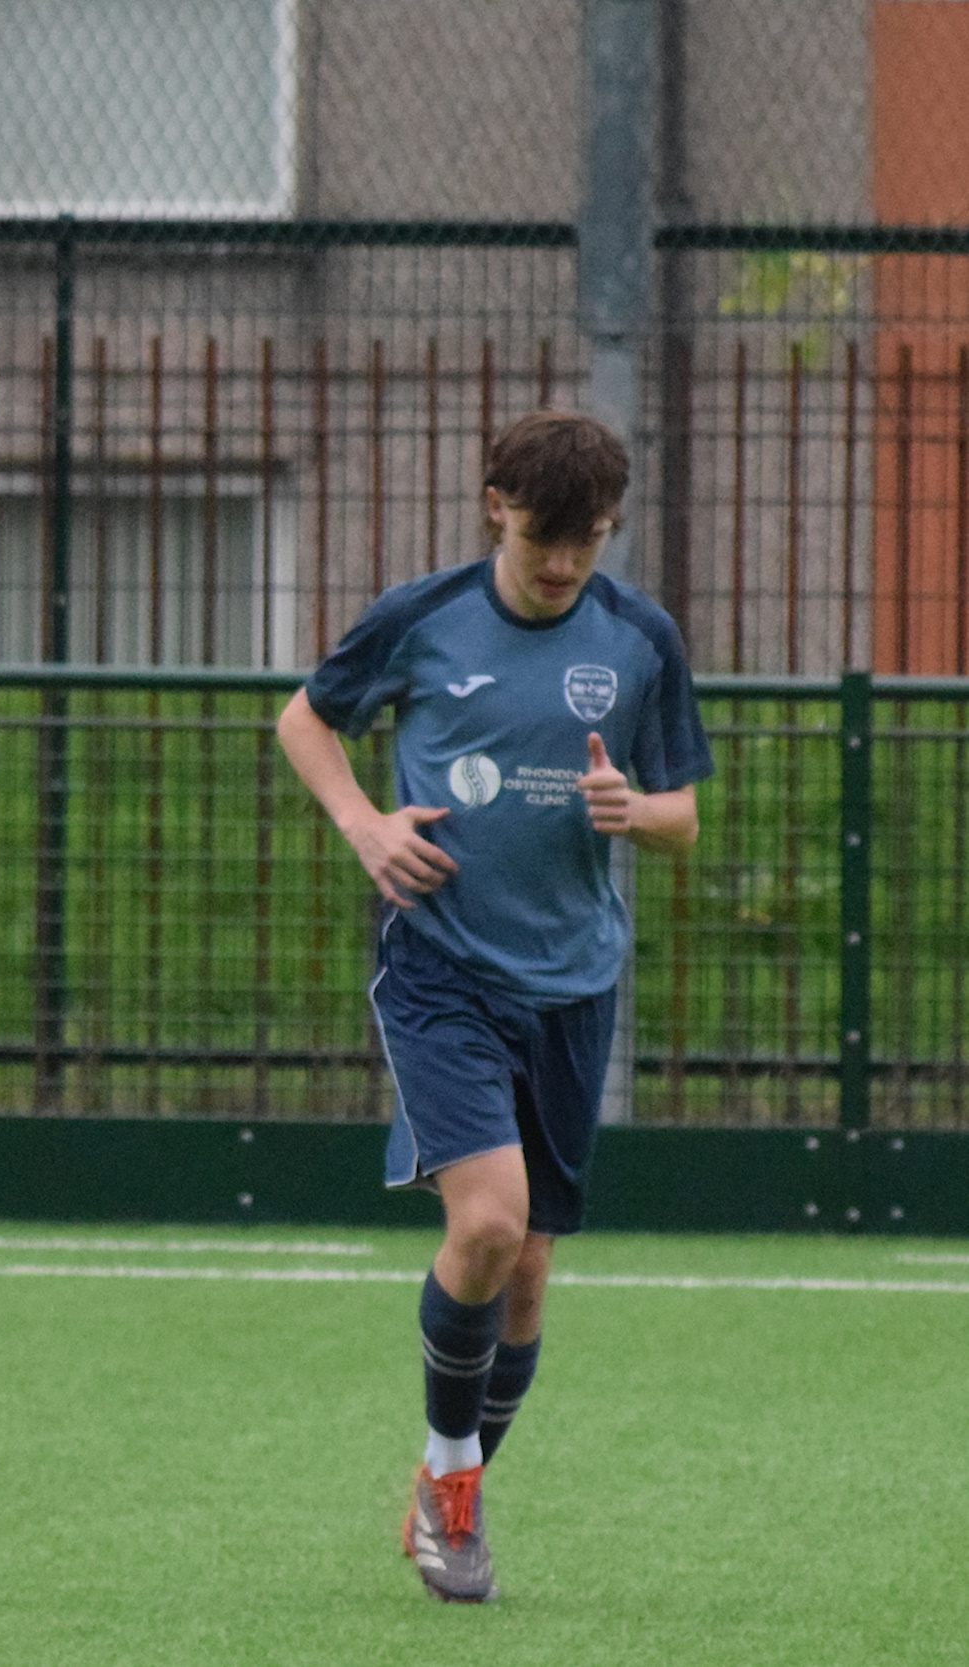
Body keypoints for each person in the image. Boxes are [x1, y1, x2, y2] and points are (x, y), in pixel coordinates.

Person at [274, 410, 712, 1604]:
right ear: (493, 507)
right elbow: (305, 717)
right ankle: (456, 1495)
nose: (562, 563)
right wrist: (364, 823)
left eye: (584, 540)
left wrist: (636, 808)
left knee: (524, 1271)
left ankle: (439, 1485)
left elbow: (683, 812)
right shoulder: (423, 615)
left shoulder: (638, 638)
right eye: (540, 537)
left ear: (608, 528)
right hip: (440, 966)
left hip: (573, 981)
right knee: (485, 1223)